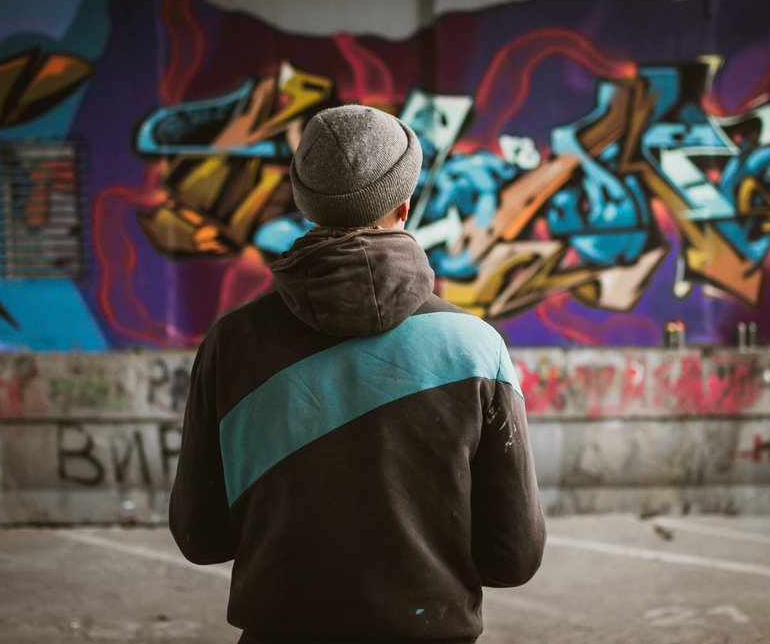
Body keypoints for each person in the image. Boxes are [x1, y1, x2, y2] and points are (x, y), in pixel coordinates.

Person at [169, 104, 546, 644]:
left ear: (306, 206)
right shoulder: (474, 347)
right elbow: (513, 558)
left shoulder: (233, 343)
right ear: (404, 204)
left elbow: (199, 536)